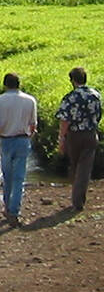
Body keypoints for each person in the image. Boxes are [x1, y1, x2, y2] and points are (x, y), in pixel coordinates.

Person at [0, 72, 38, 225]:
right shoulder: (30, 100)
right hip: (23, 139)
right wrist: (28, 137)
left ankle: (7, 207)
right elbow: (33, 125)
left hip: (6, 141)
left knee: (7, 176)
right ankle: (14, 210)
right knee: (19, 178)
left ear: (5, 85)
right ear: (19, 84)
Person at [56, 66, 101, 211]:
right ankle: (79, 198)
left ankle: (76, 201)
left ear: (73, 80)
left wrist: (61, 139)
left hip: (75, 135)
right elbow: (99, 115)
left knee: (75, 165)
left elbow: (64, 121)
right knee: (85, 168)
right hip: (91, 133)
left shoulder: (70, 97)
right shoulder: (96, 95)